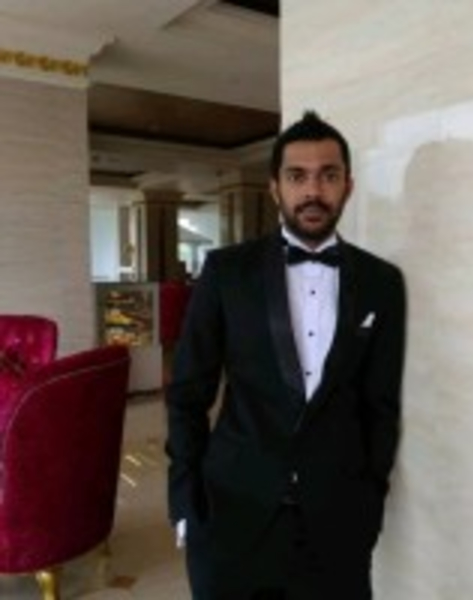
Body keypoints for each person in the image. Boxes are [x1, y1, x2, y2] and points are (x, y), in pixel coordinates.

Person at [166, 110, 407, 600]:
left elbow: (380, 404)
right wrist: (186, 501)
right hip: (232, 512)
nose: (313, 191)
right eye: (297, 176)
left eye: (328, 176)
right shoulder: (226, 272)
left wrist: (370, 497)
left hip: (337, 520)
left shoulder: (382, 282)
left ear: (348, 186)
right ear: (275, 188)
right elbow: (189, 392)